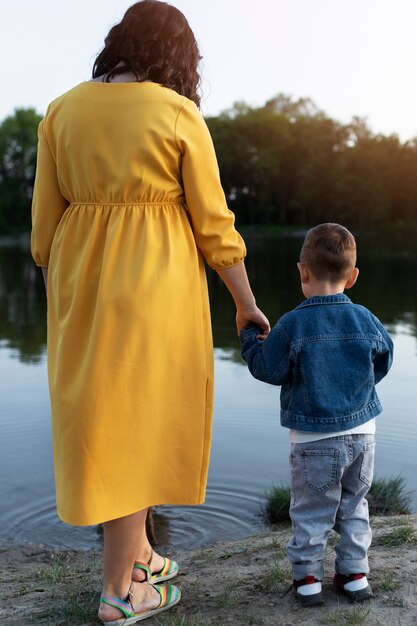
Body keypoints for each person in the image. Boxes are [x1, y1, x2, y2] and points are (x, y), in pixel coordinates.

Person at [31, 1, 270, 623]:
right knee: (140, 426)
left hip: (80, 287)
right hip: (157, 287)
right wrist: (245, 304)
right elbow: (215, 227)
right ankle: (119, 595)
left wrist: (79, 270)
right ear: (176, 55)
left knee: (109, 425)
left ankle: (142, 559)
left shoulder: (61, 111)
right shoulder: (177, 112)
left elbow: (40, 236)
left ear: (118, 44)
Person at [240, 223, 393, 607]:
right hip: (364, 435)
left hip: (313, 441)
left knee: (311, 511)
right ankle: (355, 575)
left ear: (302, 271)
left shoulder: (293, 323)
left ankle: (308, 581)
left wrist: (248, 338)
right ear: (353, 277)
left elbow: (269, 370)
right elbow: (384, 359)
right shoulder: (366, 318)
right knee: (355, 505)